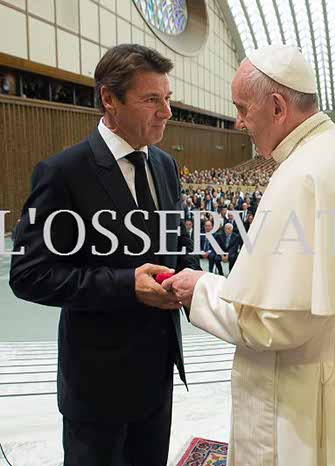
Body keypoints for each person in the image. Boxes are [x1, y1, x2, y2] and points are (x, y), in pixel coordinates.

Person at [163, 45, 335, 466]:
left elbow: (274, 324)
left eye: (242, 108)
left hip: (307, 392)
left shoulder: (301, 176)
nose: (238, 123)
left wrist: (199, 289)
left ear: (277, 107)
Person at [9, 44, 200, 465]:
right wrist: (125, 285)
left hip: (157, 375)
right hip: (97, 388)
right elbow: (27, 273)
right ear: (109, 99)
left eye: (167, 99)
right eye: (151, 100)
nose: (166, 112)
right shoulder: (62, 173)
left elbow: (176, 244)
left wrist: (196, 281)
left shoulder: (165, 166)